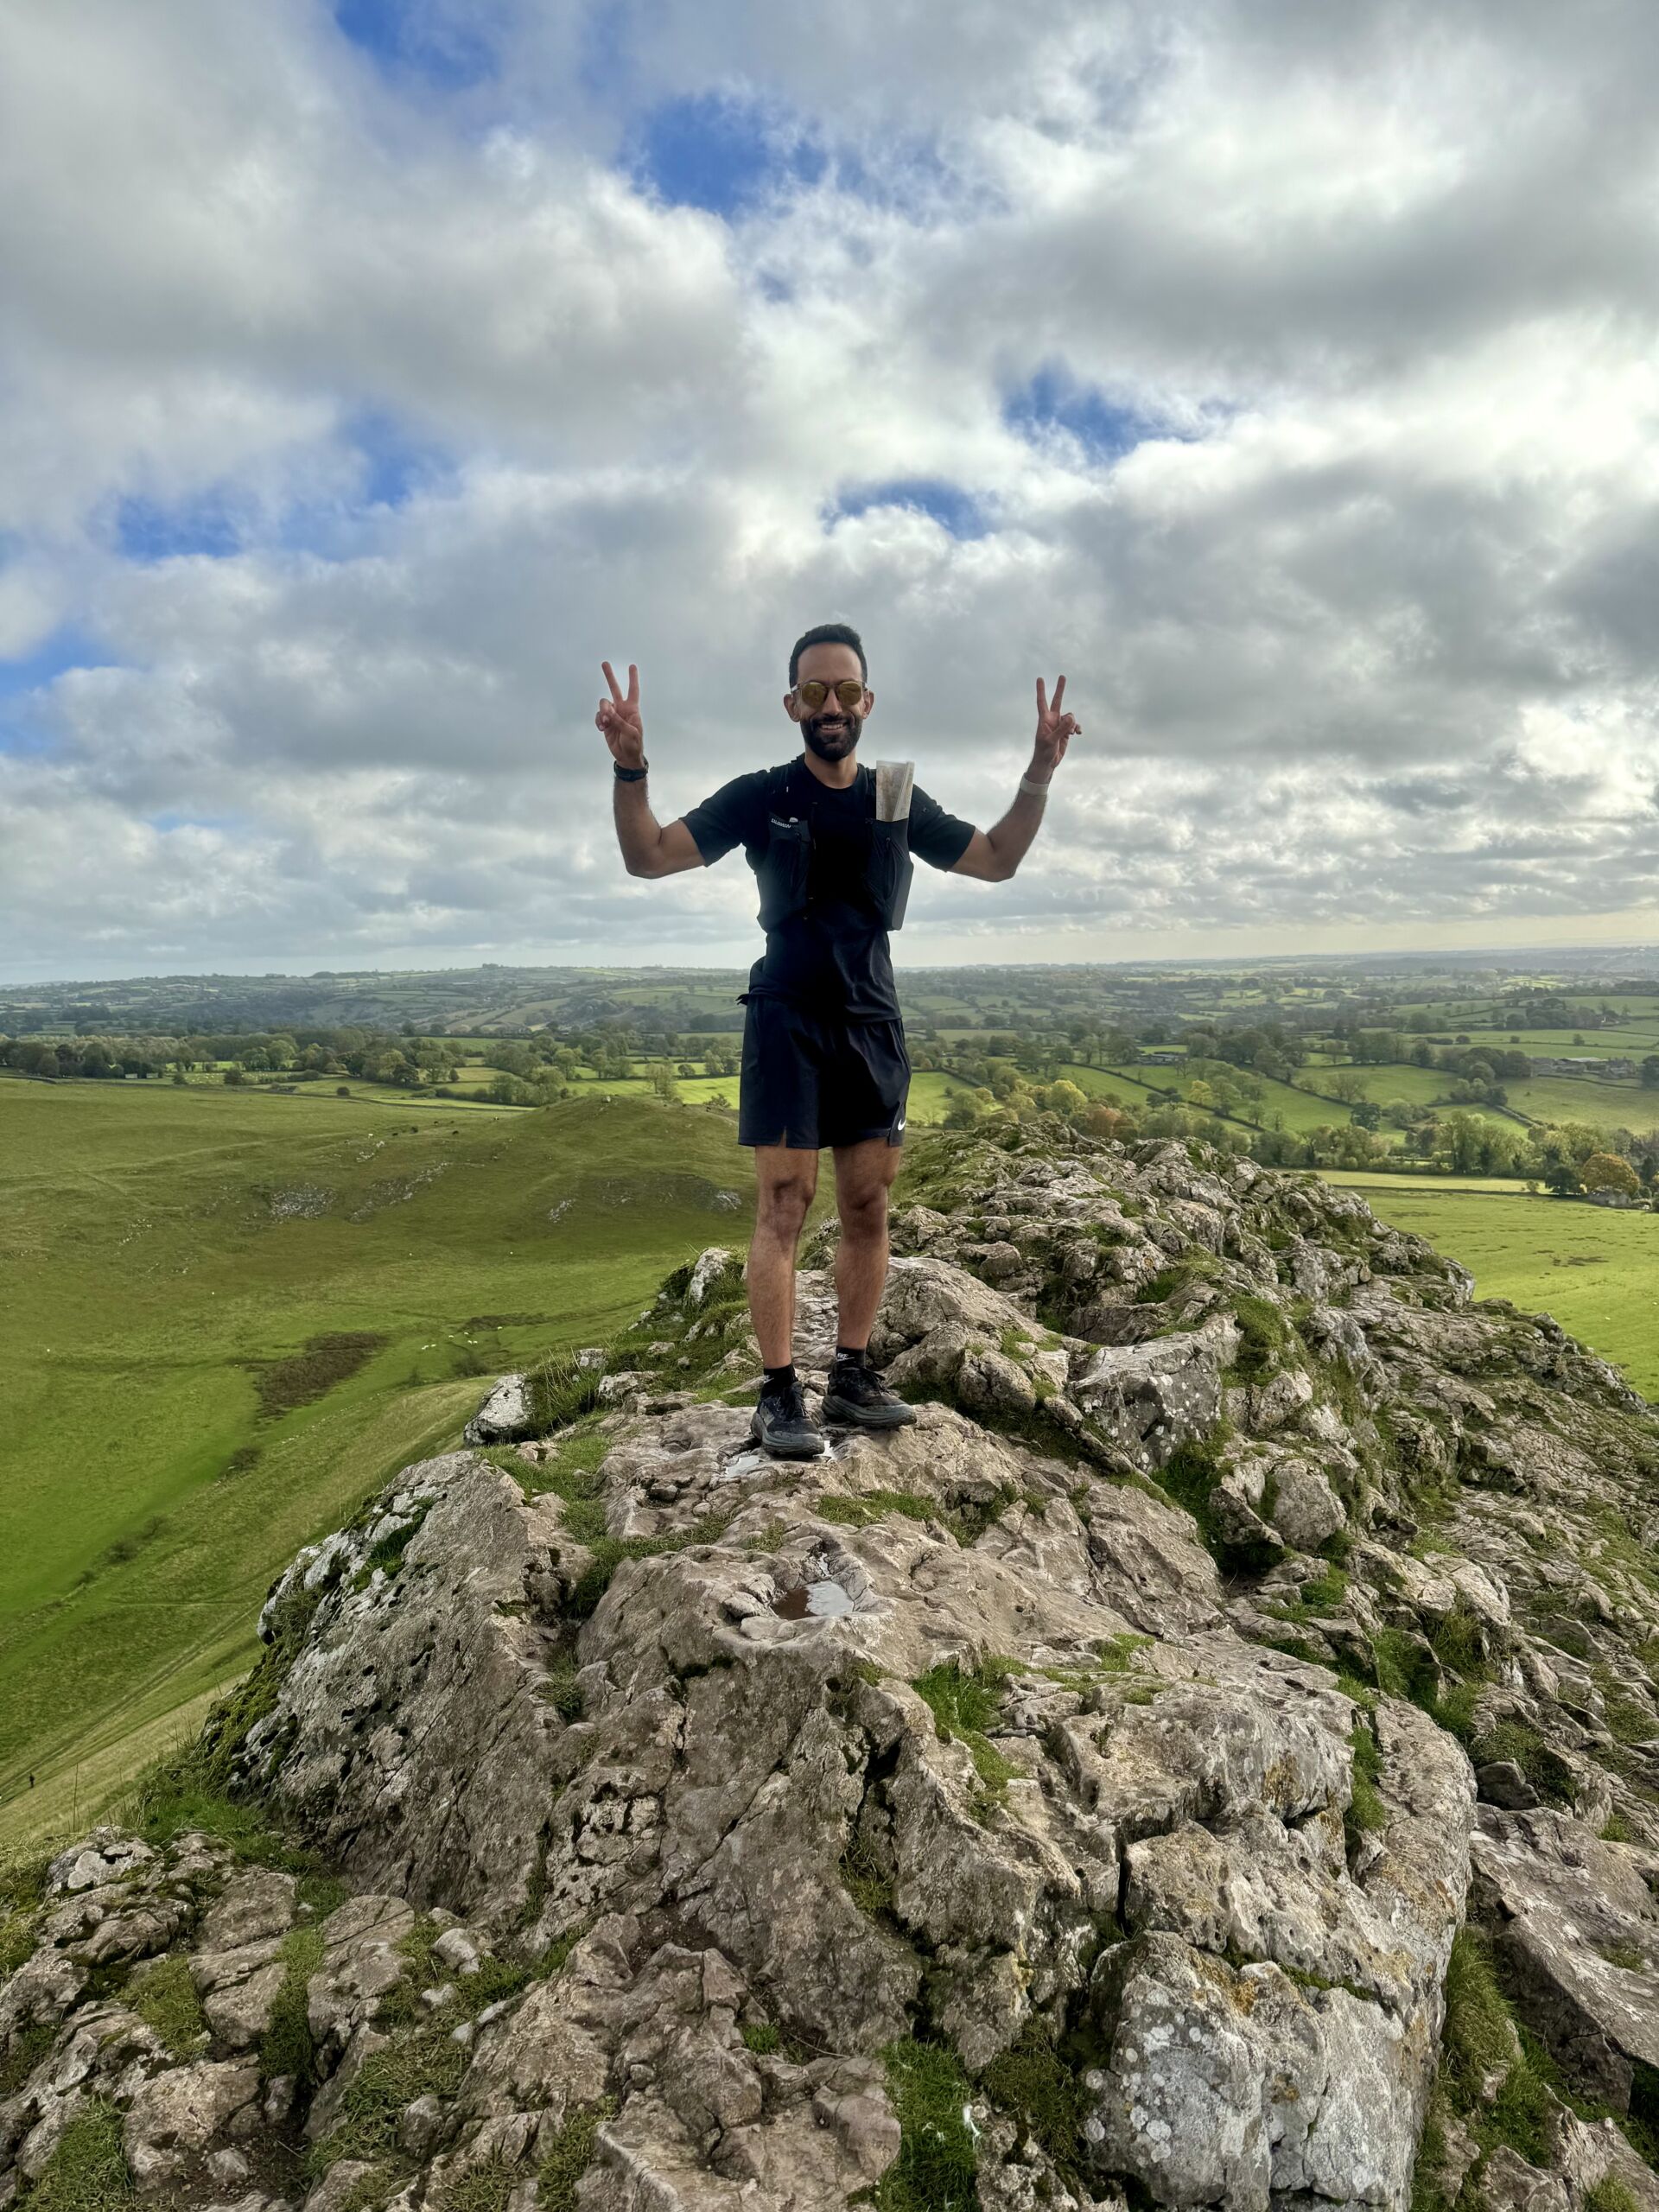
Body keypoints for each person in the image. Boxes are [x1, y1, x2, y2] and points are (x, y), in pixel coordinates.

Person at [599, 621, 1078, 1458]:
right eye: (815, 691)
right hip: (787, 1015)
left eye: (846, 691)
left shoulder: (894, 797)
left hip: (872, 1018)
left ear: (868, 702)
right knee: (785, 1207)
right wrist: (631, 766)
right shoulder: (761, 794)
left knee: (867, 1206)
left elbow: (996, 860)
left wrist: (1038, 771)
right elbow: (648, 857)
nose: (831, 706)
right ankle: (778, 1393)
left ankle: (852, 1378)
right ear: (792, 704)